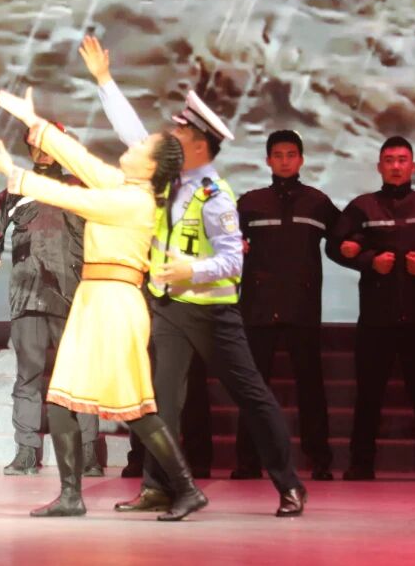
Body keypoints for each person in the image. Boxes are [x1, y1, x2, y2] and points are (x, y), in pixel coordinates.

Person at [79, 36, 306, 518]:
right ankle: (159, 486)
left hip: (212, 313)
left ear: (199, 144)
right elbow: (135, 137)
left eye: (180, 131)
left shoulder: (216, 196)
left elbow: (233, 261)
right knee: (160, 401)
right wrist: (105, 81)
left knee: (252, 396)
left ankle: (289, 485)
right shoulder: (169, 178)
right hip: (169, 309)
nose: (170, 135)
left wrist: (190, 269)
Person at [0, 87, 208, 521]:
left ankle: (186, 488)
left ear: (151, 166)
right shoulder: (123, 185)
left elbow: (78, 198)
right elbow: (80, 160)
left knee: (136, 405)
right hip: (93, 299)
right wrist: (34, 122)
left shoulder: (134, 200)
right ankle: (70, 495)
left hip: (115, 303)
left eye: (141, 148)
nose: (131, 147)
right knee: (61, 399)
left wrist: (17, 176)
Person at [329, 136, 415, 482]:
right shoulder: (363, 206)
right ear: (379, 167)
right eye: (389, 160)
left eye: (402, 160)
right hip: (376, 318)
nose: (396, 166)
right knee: (368, 393)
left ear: (413, 166)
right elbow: (334, 246)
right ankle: (361, 463)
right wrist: (369, 261)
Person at [0, 125, 105, 477]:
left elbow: (104, 237)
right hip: (27, 296)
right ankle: (27, 452)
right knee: (27, 376)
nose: (43, 151)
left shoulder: (80, 189)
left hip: (73, 297)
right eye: (36, 146)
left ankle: (88, 453)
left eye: (48, 145)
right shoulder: (15, 190)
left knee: (79, 377)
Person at [234, 129, 338, 481]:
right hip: (258, 308)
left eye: (291, 155)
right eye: (278, 155)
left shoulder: (317, 203)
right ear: (268, 160)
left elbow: (345, 240)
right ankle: (248, 461)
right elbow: (224, 240)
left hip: (302, 307)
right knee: (253, 387)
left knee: (311, 387)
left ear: (301, 160)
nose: (284, 161)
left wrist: (358, 251)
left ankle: (320, 461)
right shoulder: (250, 203)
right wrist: (235, 245)